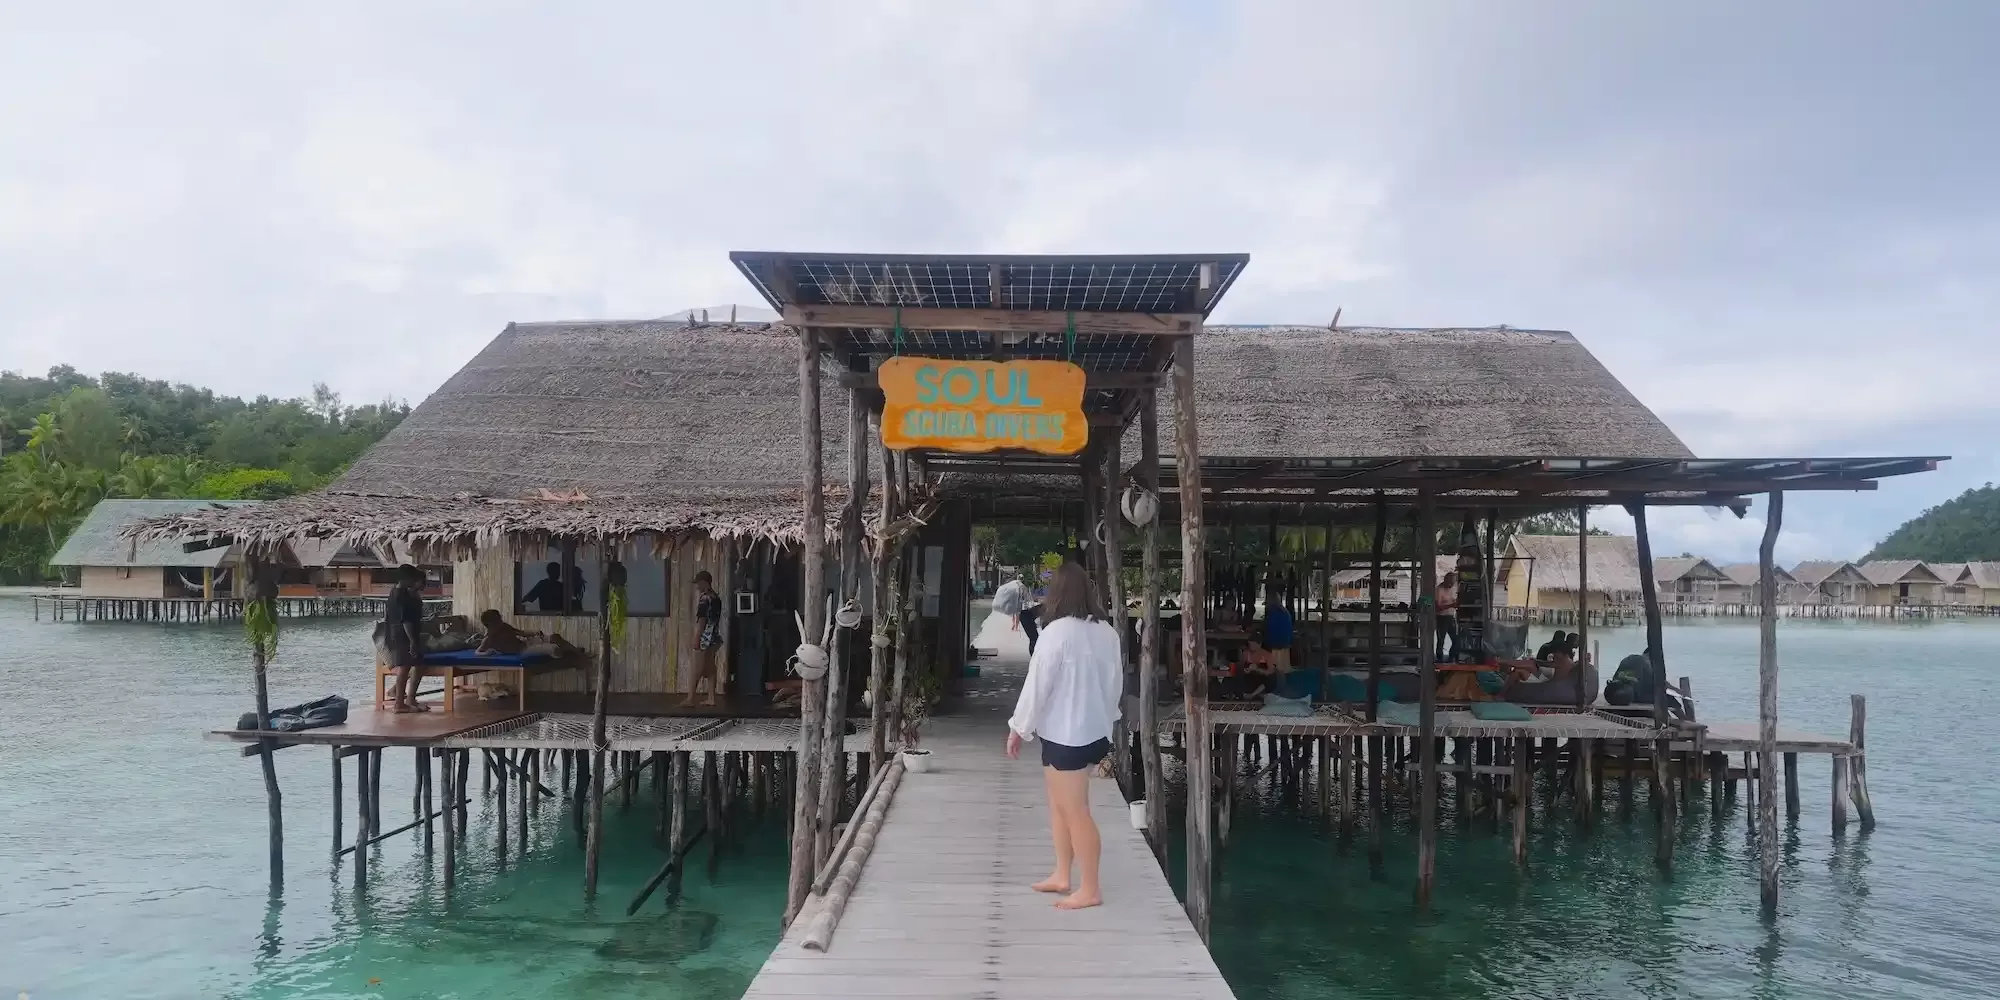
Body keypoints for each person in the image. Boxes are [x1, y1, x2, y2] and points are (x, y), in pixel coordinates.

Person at [1005, 562, 1122, 911]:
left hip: (1067, 732)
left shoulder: (1056, 632)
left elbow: (1037, 685)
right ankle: (1062, 873)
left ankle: (1090, 888)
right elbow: (1116, 681)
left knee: (1075, 811)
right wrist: (1107, 715)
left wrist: (1018, 727)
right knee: (1060, 806)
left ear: (1055, 594)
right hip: (1091, 728)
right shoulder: (1106, 631)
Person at [384, 564, 430, 713]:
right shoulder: (401, 595)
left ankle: (409, 699)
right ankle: (399, 704)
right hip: (402, 635)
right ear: (407, 578)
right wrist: (413, 641)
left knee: (418, 664)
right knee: (404, 669)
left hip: (399, 633)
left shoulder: (396, 592)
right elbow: (406, 621)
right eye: (413, 578)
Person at [690, 570, 725, 705]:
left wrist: (696, 638)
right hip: (715, 637)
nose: (697, 587)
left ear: (704, 583)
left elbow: (702, 621)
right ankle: (711, 698)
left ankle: (690, 698)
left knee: (696, 668)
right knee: (710, 668)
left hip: (705, 637)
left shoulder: (705, 599)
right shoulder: (716, 598)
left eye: (698, 584)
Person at [1261, 585, 1294, 672]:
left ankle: (1265, 669)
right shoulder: (1285, 611)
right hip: (1286, 641)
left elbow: (1269, 630)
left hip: (1276, 642)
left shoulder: (1273, 611)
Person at [1435, 571, 1459, 661]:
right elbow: (1438, 607)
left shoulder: (1453, 588)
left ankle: (1451, 658)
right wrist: (1451, 605)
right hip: (1441, 617)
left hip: (1450, 616)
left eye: (1453, 583)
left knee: (1456, 640)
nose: (1451, 585)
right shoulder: (1439, 589)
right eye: (1450, 583)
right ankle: (1439, 659)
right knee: (1441, 640)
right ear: (1445, 580)